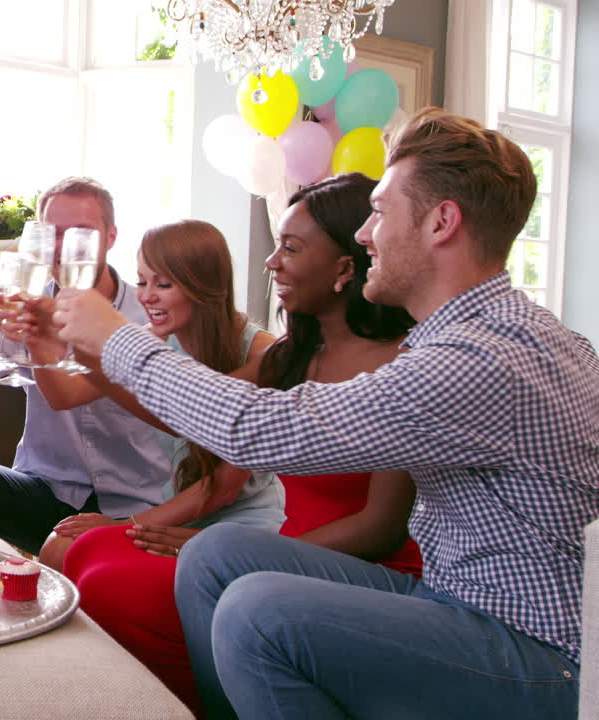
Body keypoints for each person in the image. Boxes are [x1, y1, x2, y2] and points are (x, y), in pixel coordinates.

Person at [54, 108, 598, 718]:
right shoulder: (501, 331)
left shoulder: (479, 357)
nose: (365, 236)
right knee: (216, 553)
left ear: (442, 222)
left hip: (535, 653)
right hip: (456, 597)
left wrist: (118, 340)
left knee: (256, 610)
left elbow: (262, 431)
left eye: (382, 213)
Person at [58, 173, 422, 716]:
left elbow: (380, 528)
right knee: (89, 550)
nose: (271, 262)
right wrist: (85, 351)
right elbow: (197, 421)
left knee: (116, 581)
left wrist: (241, 557)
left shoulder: (403, 365)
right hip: (273, 549)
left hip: (353, 568)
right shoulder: (290, 356)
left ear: (345, 267)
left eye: (291, 248)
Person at [30, 219, 281, 573]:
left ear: (206, 285)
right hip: (180, 512)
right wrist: (38, 341)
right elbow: (67, 393)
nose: (145, 296)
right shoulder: (153, 337)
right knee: (60, 547)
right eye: (142, 280)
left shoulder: (261, 354)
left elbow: (222, 489)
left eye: (163, 284)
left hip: (240, 524)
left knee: (73, 551)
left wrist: (126, 525)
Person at [0, 176, 172, 553]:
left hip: (133, 502)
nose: (64, 248)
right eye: (53, 234)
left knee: (84, 550)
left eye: (81, 233)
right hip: (43, 489)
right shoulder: (24, 302)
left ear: (111, 237)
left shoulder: (148, 315)